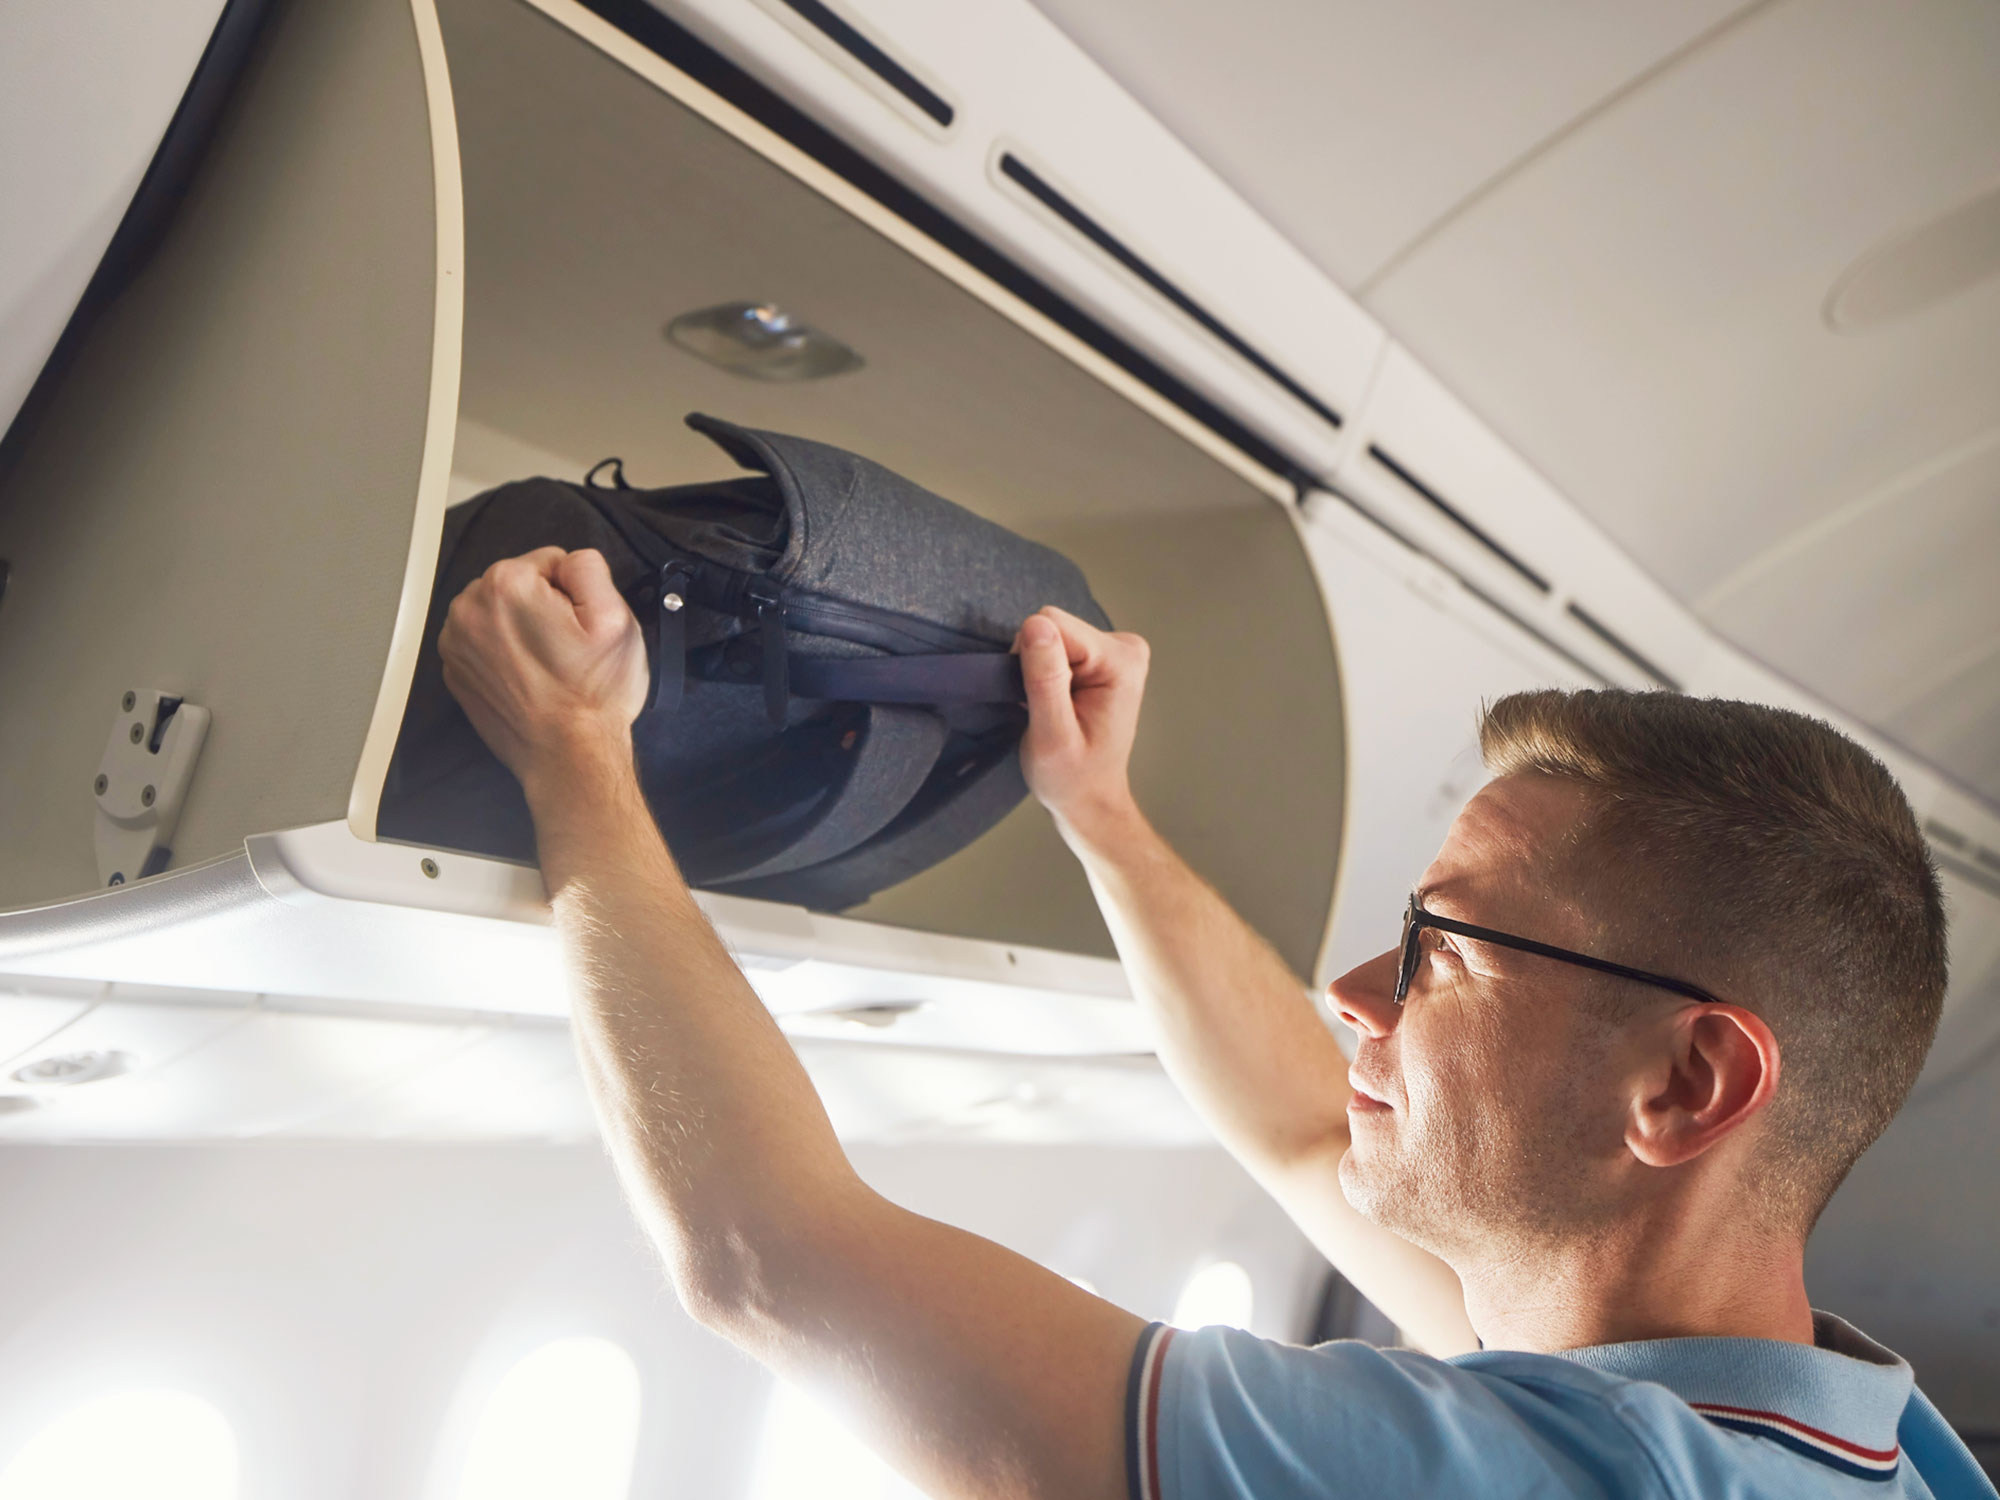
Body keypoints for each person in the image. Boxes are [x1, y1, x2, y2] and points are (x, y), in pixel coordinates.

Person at [436, 545, 1995, 1499]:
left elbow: (773, 1255)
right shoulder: (1862, 1451)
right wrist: (1099, 815)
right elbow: (1307, 1123)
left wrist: (575, 751)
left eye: (1440, 951)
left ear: (1686, 1084)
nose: (1353, 995)